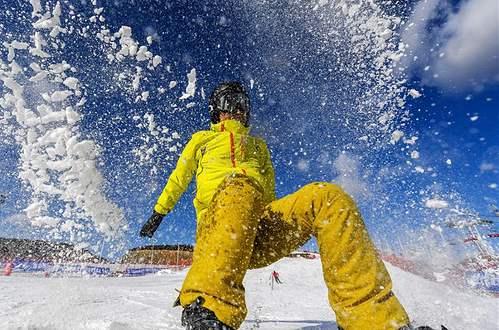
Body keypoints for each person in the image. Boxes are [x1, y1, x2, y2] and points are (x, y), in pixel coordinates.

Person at [140, 81, 426, 330]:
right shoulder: (202, 141)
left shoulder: (258, 146)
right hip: (218, 234)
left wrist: (273, 221)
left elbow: (270, 195)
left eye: (242, 104)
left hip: (256, 230)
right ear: (217, 109)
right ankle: (208, 307)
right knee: (238, 185)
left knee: (327, 196)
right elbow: (178, 179)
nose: (237, 109)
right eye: (230, 103)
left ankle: (372, 320)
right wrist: (159, 213)